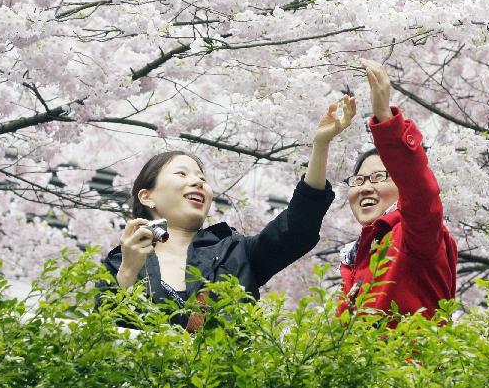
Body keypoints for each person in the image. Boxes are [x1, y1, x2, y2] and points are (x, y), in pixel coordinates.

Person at [100, 96, 356, 330]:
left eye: (202, 178)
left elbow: (296, 228)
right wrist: (128, 271)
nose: (198, 182)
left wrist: (320, 145)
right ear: (147, 196)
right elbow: (100, 341)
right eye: (182, 174)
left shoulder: (233, 253)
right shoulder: (117, 264)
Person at [339, 59, 457, 319]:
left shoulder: (416, 236)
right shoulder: (354, 258)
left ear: (402, 183)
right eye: (359, 181)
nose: (365, 188)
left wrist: (386, 120)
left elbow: (420, 191)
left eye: (379, 177)